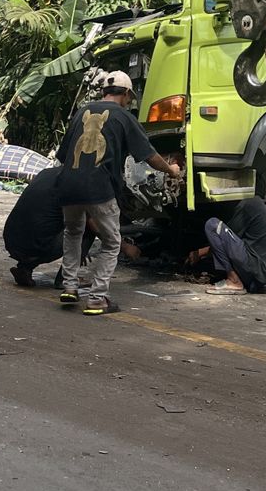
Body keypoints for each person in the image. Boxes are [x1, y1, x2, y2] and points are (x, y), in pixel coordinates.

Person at [54, 70, 181, 315]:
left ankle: (69, 286)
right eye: (128, 98)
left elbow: (63, 155)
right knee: (112, 242)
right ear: (125, 94)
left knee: (73, 232)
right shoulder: (123, 116)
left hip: (68, 185)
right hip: (99, 187)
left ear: (103, 92)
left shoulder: (82, 112)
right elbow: (150, 156)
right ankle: (97, 299)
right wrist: (172, 171)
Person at [3, 165, 94, 289]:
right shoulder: (76, 182)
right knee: (88, 229)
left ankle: (24, 268)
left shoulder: (46, 172)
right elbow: (93, 224)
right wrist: (123, 246)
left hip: (12, 241)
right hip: (39, 246)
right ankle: (66, 279)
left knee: (48, 225)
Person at [188, 197, 266, 295]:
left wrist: (199, 253)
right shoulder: (258, 204)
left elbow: (223, 240)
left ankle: (234, 281)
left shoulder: (247, 206)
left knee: (212, 225)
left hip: (258, 273)